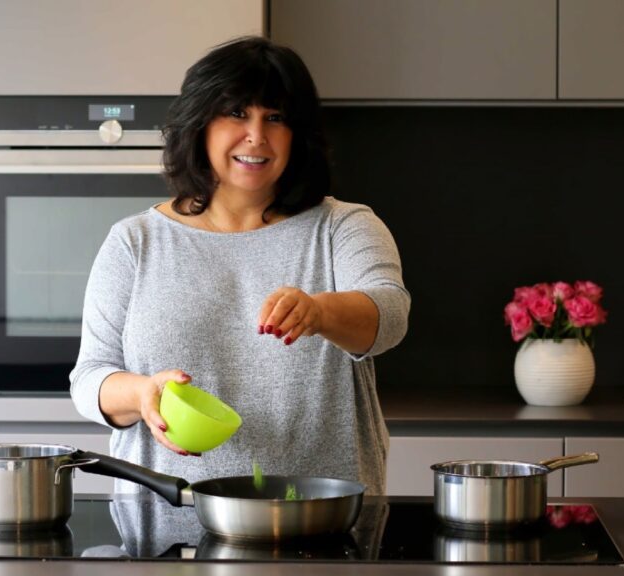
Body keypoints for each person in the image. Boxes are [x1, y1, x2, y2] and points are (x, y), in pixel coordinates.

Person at [70, 36, 409, 495]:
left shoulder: (343, 227)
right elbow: (90, 376)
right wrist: (140, 394)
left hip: (321, 520)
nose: (257, 136)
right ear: (200, 124)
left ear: (298, 135)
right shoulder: (135, 241)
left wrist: (320, 311)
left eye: (275, 118)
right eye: (237, 113)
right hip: (164, 521)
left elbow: (388, 315)